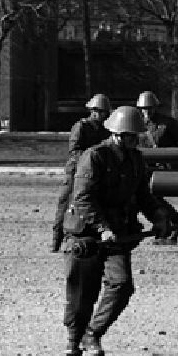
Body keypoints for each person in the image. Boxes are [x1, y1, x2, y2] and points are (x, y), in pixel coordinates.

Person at [60, 106, 172, 356]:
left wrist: (158, 217)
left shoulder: (135, 159)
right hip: (86, 234)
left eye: (136, 137)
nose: (134, 141)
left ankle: (93, 333)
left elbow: (143, 195)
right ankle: (73, 339)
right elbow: (83, 198)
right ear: (117, 134)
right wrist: (102, 228)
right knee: (81, 292)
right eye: (130, 136)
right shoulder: (94, 157)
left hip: (118, 234)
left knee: (121, 285)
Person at [52, 94, 112, 252]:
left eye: (103, 112)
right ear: (92, 111)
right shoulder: (81, 127)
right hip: (76, 171)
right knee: (64, 204)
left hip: (95, 173)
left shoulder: (106, 130)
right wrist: (90, 158)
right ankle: (56, 240)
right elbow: (74, 150)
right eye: (97, 111)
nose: (100, 114)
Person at [136, 91, 178, 244]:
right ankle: (171, 225)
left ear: (155, 107)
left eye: (150, 107)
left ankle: (170, 226)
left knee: (152, 197)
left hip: (163, 168)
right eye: (144, 108)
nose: (147, 110)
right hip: (144, 168)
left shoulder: (168, 123)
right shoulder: (137, 124)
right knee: (149, 199)